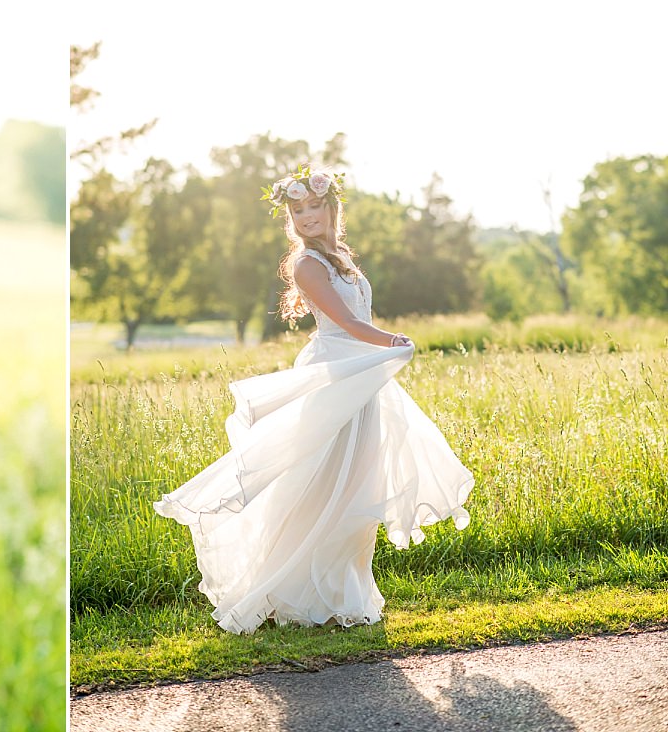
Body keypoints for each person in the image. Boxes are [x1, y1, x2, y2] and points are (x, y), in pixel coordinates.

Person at [153, 167, 472, 633]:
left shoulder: (340, 256)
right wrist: (392, 341)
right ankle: (292, 591)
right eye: (297, 210)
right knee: (324, 482)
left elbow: (358, 314)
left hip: (360, 376)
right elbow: (344, 322)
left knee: (359, 483)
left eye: (313, 207)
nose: (305, 217)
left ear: (331, 208)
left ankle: (346, 591)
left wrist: (380, 348)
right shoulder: (306, 265)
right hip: (333, 372)